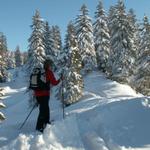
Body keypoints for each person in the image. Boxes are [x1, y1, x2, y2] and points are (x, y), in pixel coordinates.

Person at [34, 58, 61, 132]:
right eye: (50, 65)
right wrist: (60, 79)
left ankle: (46, 123)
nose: (51, 66)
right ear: (49, 65)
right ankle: (39, 127)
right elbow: (54, 83)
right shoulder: (49, 72)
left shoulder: (40, 72)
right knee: (43, 110)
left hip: (37, 94)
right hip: (44, 94)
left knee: (45, 108)